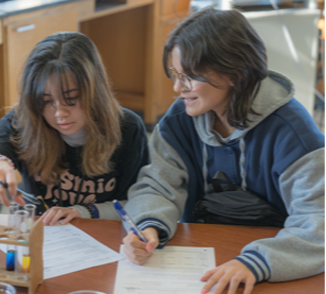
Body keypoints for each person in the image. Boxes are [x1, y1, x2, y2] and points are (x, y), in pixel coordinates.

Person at [122, 7, 325, 294]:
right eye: (174, 74)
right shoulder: (179, 120)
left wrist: (256, 262)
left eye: (189, 76)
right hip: (201, 262)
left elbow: (318, 221)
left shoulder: (293, 132)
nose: (178, 87)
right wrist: (148, 227)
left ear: (234, 72)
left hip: (276, 265)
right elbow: (157, 185)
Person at [0, 32, 149, 225]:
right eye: (46, 101)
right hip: (39, 234)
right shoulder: (23, 120)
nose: (60, 113)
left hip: (100, 234)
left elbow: (139, 202)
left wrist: (84, 211)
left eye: (71, 99)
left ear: (95, 92)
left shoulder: (127, 128)